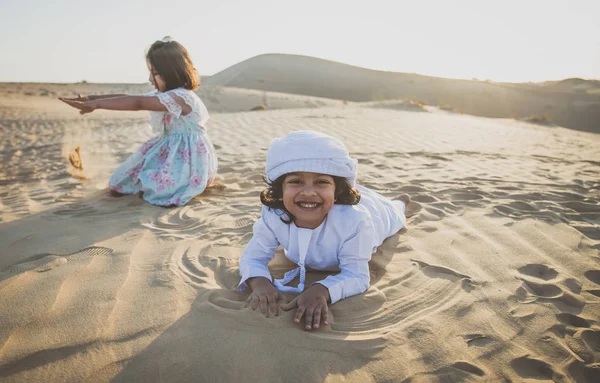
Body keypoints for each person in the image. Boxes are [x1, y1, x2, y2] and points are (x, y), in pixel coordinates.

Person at [239, 130, 410, 330]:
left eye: (321, 182)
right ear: (280, 191)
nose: (309, 192)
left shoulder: (356, 221)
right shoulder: (272, 215)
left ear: (337, 193)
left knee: (394, 212)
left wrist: (322, 290)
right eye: (296, 181)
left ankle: (401, 201)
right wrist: (260, 284)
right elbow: (252, 257)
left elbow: (357, 275)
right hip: (338, 201)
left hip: (376, 215)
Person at [59, 37, 217, 206]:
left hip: (188, 154)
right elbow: (130, 98)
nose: (150, 79)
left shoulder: (181, 97)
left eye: (155, 74)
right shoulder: (166, 96)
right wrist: (92, 98)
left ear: (173, 72)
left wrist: (96, 105)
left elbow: (138, 103)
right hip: (168, 147)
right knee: (119, 181)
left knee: (161, 191)